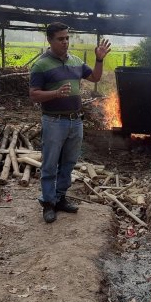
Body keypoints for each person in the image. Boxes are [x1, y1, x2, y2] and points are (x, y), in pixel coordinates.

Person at [29, 22, 111, 223]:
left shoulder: (75, 61)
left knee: (68, 163)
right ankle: (48, 203)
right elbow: (34, 95)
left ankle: (60, 198)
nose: (65, 42)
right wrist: (55, 93)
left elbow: (94, 77)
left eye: (67, 38)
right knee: (49, 164)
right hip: (54, 121)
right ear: (49, 40)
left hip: (75, 121)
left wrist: (99, 59)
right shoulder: (41, 65)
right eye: (60, 38)